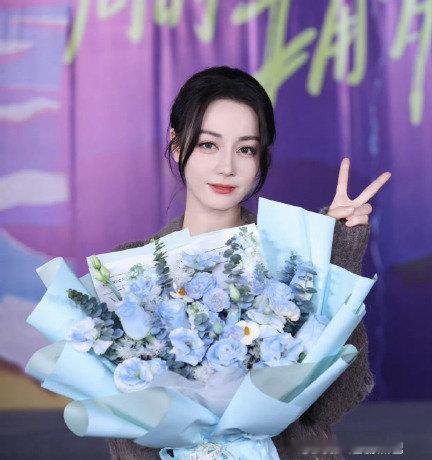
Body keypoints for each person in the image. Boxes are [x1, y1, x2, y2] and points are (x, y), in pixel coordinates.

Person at [107, 66, 391, 459]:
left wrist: (336, 253)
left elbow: (340, 395)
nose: (227, 167)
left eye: (245, 149)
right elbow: (123, 424)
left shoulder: (293, 257)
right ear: (176, 145)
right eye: (208, 144)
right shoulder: (132, 270)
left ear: (261, 158)